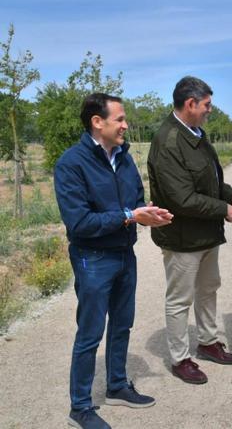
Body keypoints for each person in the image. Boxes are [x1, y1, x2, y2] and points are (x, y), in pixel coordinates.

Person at [54, 93, 173, 429]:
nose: (125, 124)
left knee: (122, 324)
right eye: (119, 119)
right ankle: (80, 406)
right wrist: (127, 215)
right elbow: (79, 223)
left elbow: (134, 203)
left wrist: (147, 215)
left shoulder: (124, 158)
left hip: (124, 254)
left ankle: (118, 386)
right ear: (97, 121)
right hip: (93, 258)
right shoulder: (71, 163)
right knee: (90, 333)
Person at [148, 76, 232, 385]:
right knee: (180, 300)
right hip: (182, 239)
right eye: (207, 105)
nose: (210, 110)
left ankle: (208, 342)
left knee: (208, 289)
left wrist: (231, 195)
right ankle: (180, 359)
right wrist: (224, 209)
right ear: (190, 104)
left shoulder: (196, 134)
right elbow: (183, 199)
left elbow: (210, 179)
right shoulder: (169, 142)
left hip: (205, 235)